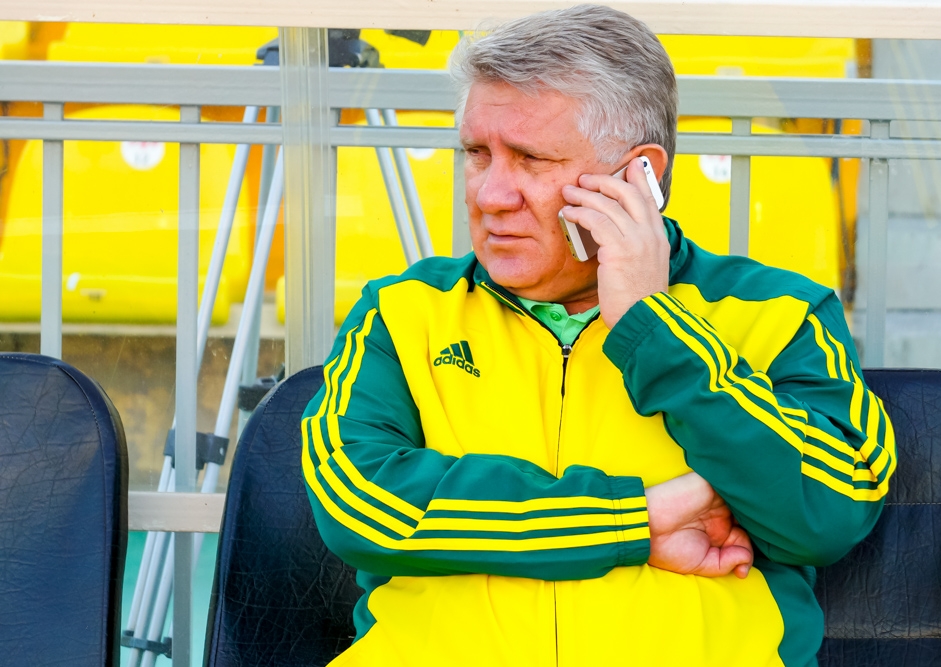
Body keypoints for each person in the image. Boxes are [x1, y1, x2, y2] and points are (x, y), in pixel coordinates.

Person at [301, 5, 896, 665]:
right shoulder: (401, 311)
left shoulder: (780, 312)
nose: (491, 194)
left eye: (531, 159)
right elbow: (361, 506)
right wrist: (637, 518)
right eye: (477, 154)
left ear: (637, 176)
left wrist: (655, 326)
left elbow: (830, 508)